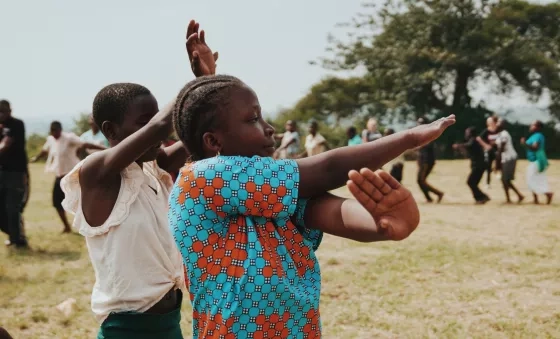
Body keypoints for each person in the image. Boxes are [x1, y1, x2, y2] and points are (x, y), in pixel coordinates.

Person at [168, 74, 456, 337]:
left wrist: (386, 224)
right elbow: (329, 168)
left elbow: (329, 212)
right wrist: (406, 138)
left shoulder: (268, 190)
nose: (269, 128)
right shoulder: (202, 179)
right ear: (213, 141)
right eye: (253, 119)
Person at [60, 19, 215, 338]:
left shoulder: (150, 166)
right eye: (141, 123)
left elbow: (190, 139)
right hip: (127, 331)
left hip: (170, 322)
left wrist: (211, 86)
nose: (157, 130)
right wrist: (199, 81)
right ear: (110, 131)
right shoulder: (97, 172)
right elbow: (160, 128)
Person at [30, 121, 105, 233]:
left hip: (72, 175)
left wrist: (105, 149)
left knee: (82, 201)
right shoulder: (51, 140)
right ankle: (67, 227)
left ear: (60, 130)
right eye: (52, 131)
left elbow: (85, 144)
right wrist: (36, 158)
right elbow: (45, 151)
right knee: (56, 202)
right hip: (60, 176)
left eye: (56, 131)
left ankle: (93, 224)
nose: (55, 133)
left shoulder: (69, 138)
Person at [0, 99, 29, 248]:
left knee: (12, 208)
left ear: (9, 111)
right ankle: (14, 235)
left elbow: (6, 144)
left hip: (15, 173)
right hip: (2, 172)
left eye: (3, 111)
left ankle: (18, 240)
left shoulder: (16, 124)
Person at [453, 127, 490, 204]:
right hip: (478, 165)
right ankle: (480, 198)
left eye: (467, 132)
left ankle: (482, 197)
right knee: (472, 183)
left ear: (471, 134)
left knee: (470, 182)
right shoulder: (473, 141)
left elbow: (468, 145)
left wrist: (458, 146)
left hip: (479, 166)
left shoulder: (473, 141)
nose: (466, 134)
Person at [521, 120, 554, 205]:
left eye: (533, 125)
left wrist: (525, 144)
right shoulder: (535, 136)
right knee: (537, 179)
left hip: (536, 161)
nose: (531, 127)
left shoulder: (537, 135)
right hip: (536, 161)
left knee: (530, 179)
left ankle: (548, 194)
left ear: (538, 127)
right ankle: (536, 199)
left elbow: (535, 147)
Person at [416, 116, 444, 203]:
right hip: (423, 160)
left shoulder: (430, 133)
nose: (419, 125)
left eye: (420, 123)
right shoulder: (421, 134)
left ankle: (438, 194)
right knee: (420, 181)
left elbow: (425, 146)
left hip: (427, 161)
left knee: (421, 180)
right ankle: (429, 198)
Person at [495, 119, 524, 204]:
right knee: (505, 180)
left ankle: (512, 198)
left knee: (505, 179)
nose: (497, 124)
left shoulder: (504, 134)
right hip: (505, 158)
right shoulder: (500, 134)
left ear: (503, 125)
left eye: (498, 122)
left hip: (510, 158)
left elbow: (501, 149)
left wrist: (497, 162)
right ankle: (516, 196)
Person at [477, 116, 499, 189]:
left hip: (498, 151)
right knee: (488, 167)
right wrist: (486, 145)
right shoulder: (486, 131)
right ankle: (488, 183)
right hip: (489, 151)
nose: (489, 123)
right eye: (488, 122)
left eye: (490, 122)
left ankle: (497, 171)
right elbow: (478, 138)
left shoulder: (498, 130)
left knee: (499, 162)